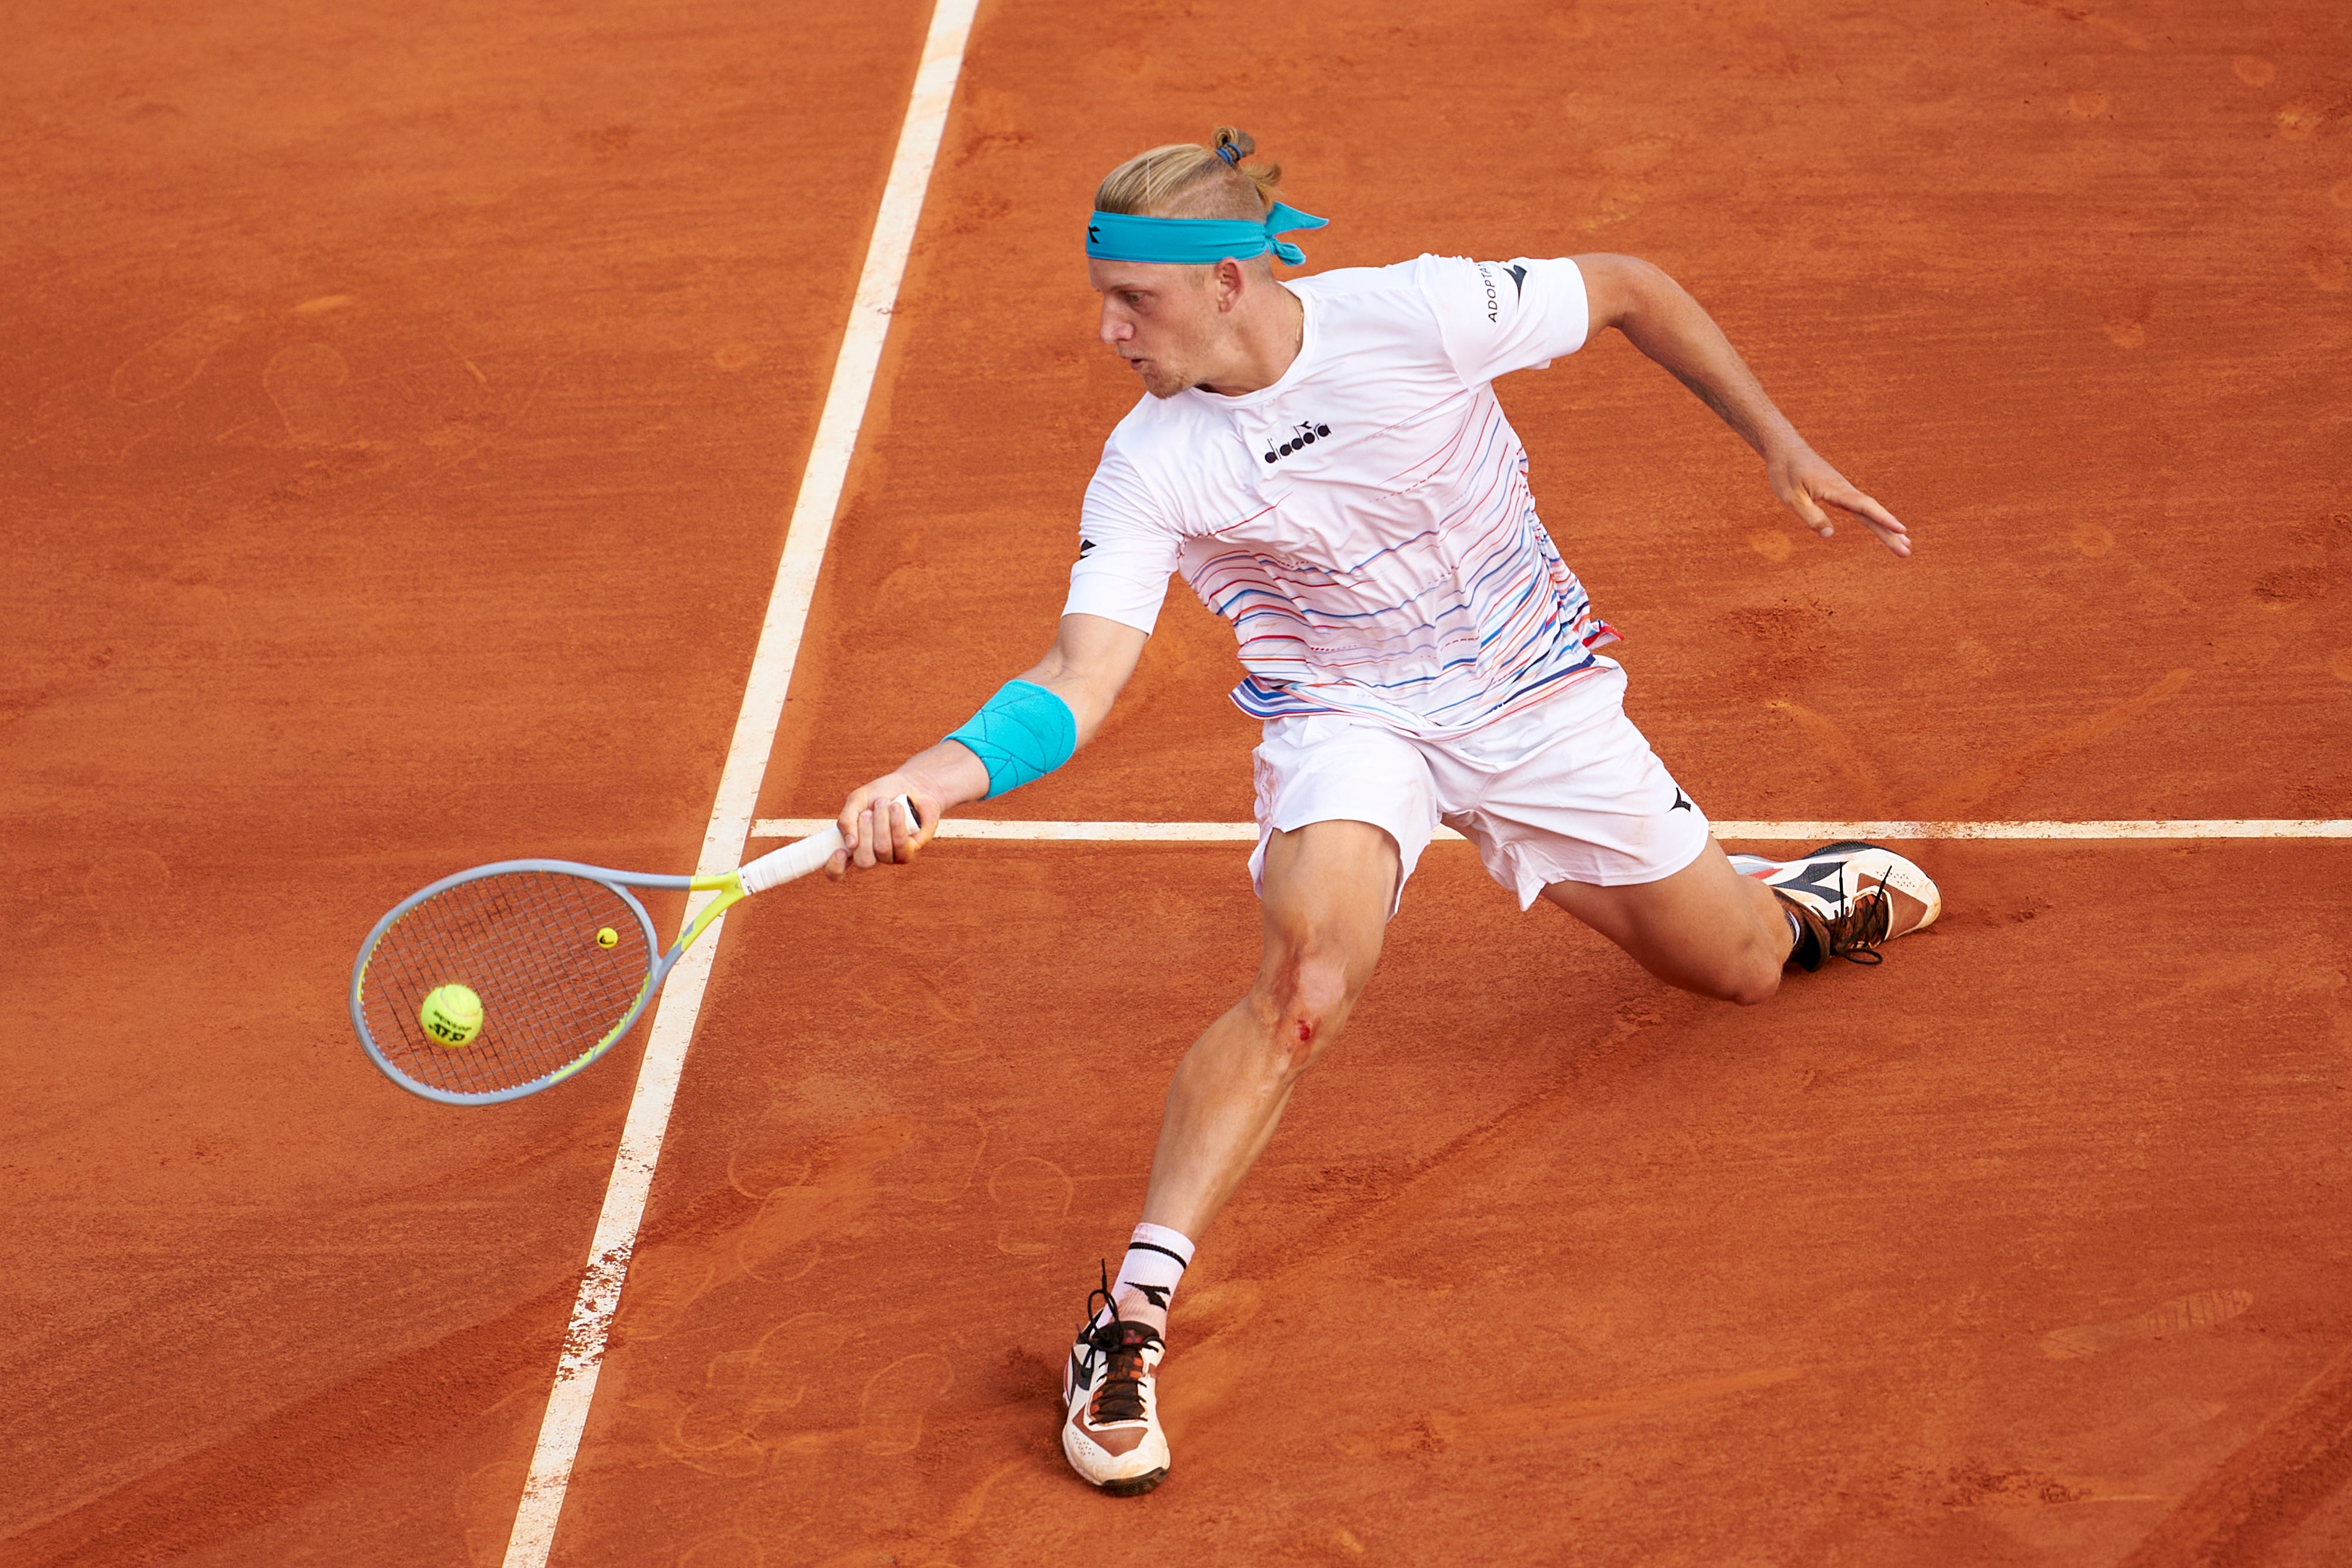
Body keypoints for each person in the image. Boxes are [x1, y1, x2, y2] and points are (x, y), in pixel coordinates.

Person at [826, 126, 1940, 1497]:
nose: (1107, 329)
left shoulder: (1415, 310)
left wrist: (1779, 443)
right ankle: (1126, 1323)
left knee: (1739, 972)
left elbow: (1631, 286)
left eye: (1135, 299)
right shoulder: (1148, 465)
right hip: (1351, 725)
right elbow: (1076, 674)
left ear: (1230, 278)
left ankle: (1769, 900)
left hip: (1538, 696)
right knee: (1308, 976)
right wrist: (925, 778)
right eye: (1102, 296)